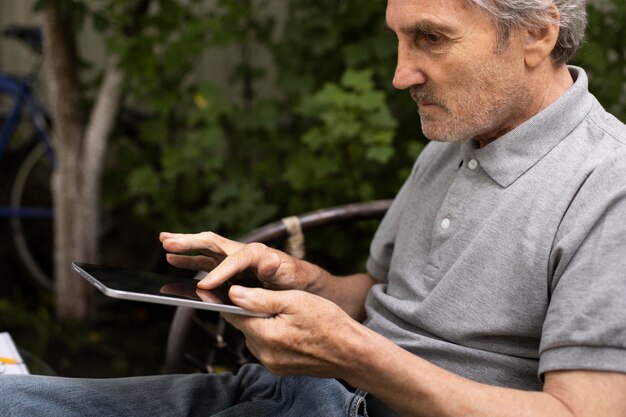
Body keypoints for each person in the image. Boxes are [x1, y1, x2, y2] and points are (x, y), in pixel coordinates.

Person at [2, 0, 626, 416]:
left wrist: (355, 355)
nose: (401, 74)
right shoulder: (458, 134)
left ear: (537, 34)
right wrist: (303, 282)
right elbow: (381, 292)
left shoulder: (608, 183)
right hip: (288, 392)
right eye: (399, 40)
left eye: (431, 39)